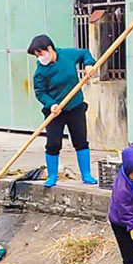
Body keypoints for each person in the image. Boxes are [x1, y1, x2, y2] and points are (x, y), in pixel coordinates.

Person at [27, 34, 97, 187]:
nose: (39, 57)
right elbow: (40, 92)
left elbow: (84, 53)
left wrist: (89, 64)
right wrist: (51, 104)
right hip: (55, 112)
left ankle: (86, 174)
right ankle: (52, 176)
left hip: (75, 107)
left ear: (50, 48)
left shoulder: (67, 55)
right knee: (53, 144)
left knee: (80, 141)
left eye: (40, 53)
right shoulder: (40, 72)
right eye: (36, 55)